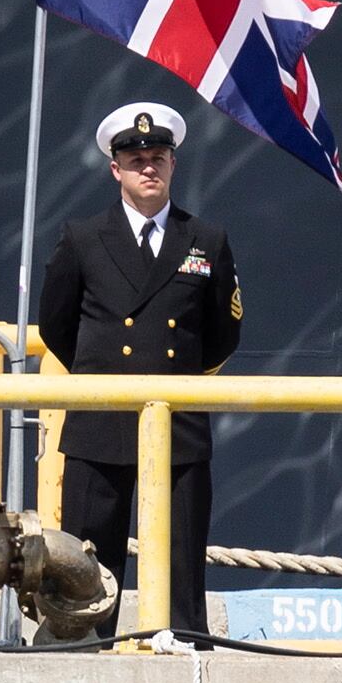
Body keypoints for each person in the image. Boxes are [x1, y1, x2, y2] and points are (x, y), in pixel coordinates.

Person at [31, 99, 239, 641]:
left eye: (159, 156)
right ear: (115, 168)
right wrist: (103, 378)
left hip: (178, 423)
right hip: (101, 422)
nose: (149, 166)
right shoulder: (82, 238)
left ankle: (185, 655)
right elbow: (57, 326)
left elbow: (223, 332)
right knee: (85, 564)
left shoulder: (206, 240)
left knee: (181, 562)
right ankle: (79, 656)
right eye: (135, 156)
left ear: (174, 163)